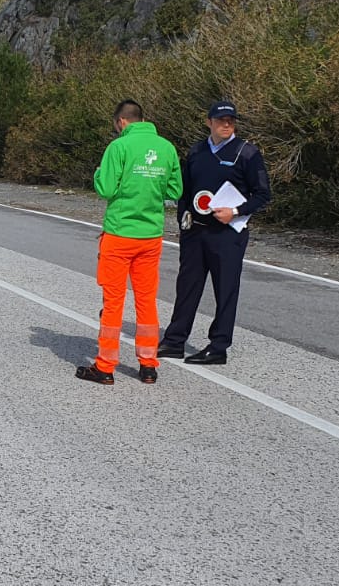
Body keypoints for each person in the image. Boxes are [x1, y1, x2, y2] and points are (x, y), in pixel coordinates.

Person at [77, 100, 183, 386]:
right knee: (146, 300)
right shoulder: (166, 148)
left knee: (113, 302)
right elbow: (175, 189)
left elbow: (106, 188)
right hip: (150, 236)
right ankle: (148, 365)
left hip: (120, 233)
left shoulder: (118, 148)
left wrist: (100, 172)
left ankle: (105, 367)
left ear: (121, 122)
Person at [158, 100, 272, 366]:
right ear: (209, 122)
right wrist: (182, 220)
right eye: (221, 120)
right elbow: (185, 191)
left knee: (226, 289)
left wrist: (236, 211)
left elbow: (263, 194)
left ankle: (218, 347)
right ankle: (175, 341)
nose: (226, 124)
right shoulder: (197, 151)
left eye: (231, 120)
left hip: (228, 234)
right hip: (195, 233)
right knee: (187, 287)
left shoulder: (247, 153)